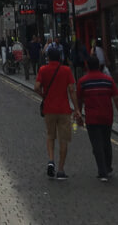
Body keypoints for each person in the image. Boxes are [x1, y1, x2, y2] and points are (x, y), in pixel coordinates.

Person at [78, 57, 118, 182]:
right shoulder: (108, 80)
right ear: (99, 66)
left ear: (87, 66)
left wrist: (78, 114)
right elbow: (116, 99)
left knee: (97, 144)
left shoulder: (83, 81)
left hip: (92, 118)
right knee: (106, 142)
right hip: (107, 116)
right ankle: (108, 167)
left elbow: (79, 100)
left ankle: (102, 171)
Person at [34, 48, 80, 181]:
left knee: (50, 136)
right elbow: (72, 90)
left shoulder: (43, 69)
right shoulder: (66, 70)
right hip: (64, 110)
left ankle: (51, 160)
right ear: (60, 57)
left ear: (48, 57)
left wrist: (43, 95)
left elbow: (36, 87)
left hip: (49, 109)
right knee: (63, 139)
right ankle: (60, 170)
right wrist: (77, 109)